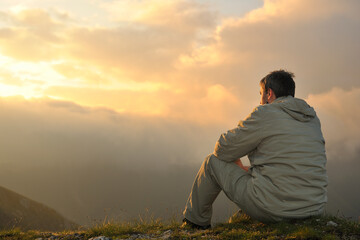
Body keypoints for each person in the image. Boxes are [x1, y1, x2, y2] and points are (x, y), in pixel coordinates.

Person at [182, 70, 328, 229]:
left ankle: (194, 224)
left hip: (277, 208)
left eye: (260, 94)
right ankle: (249, 216)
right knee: (252, 174)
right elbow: (287, 164)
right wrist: (249, 170)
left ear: (269, 93)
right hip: (313, 208)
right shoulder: (311, 118)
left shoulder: (266, 113)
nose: (260, 101)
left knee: (211, 162)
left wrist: (243, 132)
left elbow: (223, 149)